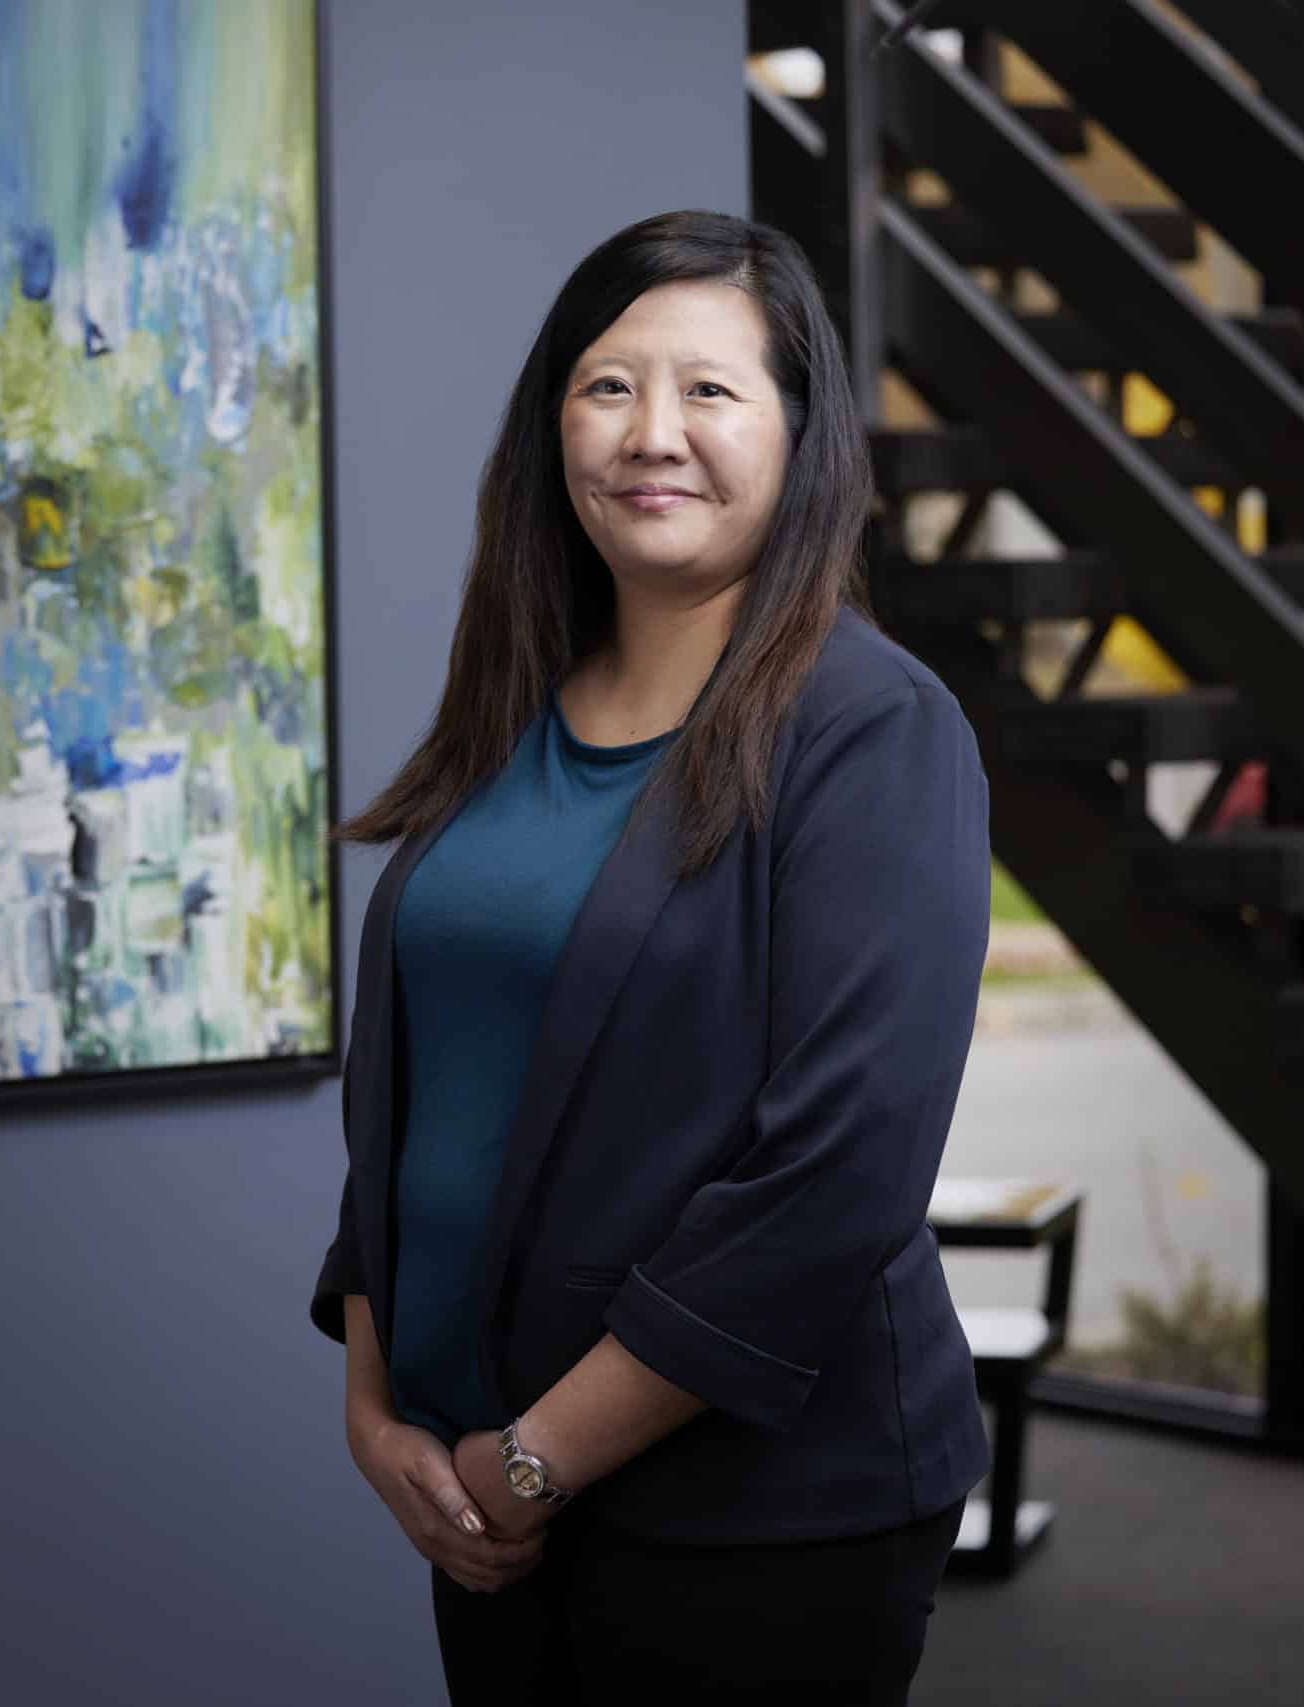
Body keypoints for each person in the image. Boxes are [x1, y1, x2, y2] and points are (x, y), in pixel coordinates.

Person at [308, 209, 994, 1704]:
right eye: (609, 387)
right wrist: (377, 1412)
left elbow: (836, 1177)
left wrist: (540, 1459)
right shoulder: (514, 707)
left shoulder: (877, 731)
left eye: (711, 391)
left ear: (800, 437)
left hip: (760, 1511)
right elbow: (425, 1088)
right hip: (478, 1489)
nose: (651, 434)